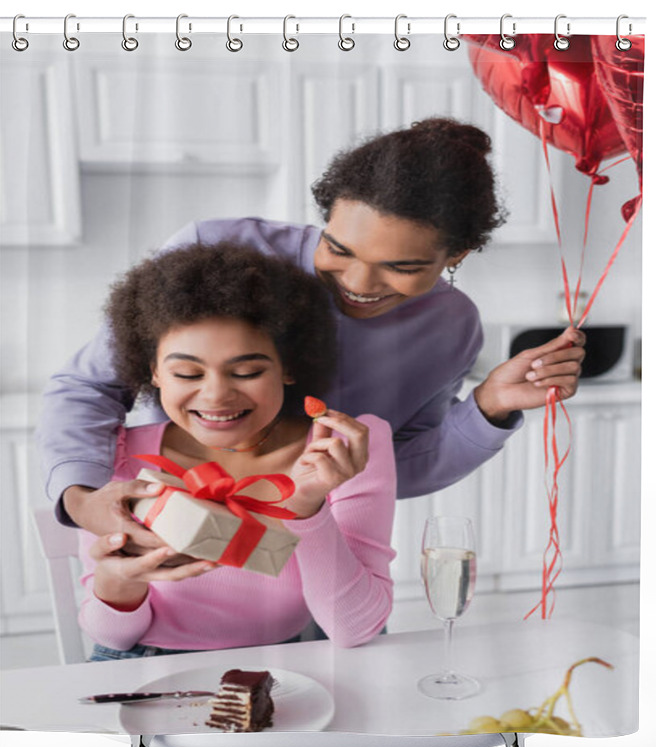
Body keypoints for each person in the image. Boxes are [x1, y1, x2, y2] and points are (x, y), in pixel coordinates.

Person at [36, 117, 585, 554]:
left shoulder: (452, 326)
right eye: (338, 249)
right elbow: (87, 387)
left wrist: (487, 407)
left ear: (456, 256)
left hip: (322, 569)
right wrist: (81, 499)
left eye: (401, 266)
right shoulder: (218, 249)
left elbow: (394, 466)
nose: (357, 283)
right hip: (171, 559)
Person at [78, 242, 395, 658]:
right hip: (144, 663)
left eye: (246, 371)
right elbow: (112, 639)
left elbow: (353, 629)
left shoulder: (343, 447)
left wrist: (307, 508)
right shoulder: (119, 451)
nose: (215, 395)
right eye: (186, 372)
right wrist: (120, 580)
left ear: (289, 366)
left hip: (291, 662)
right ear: (154, 371)